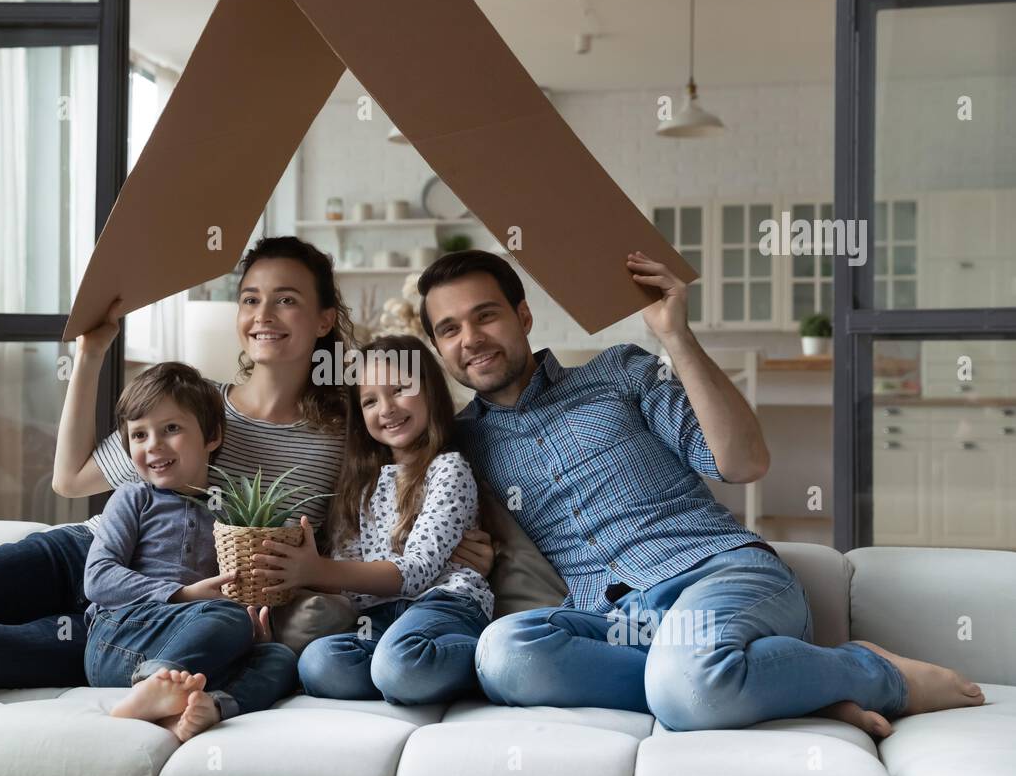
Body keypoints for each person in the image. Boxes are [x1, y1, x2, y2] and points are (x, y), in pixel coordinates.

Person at [0, 236, 495, 691]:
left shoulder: (348, 429)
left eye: (286, 298)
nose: (264, 313)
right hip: (86, 557)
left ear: (323, 319)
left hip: (163, 613)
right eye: (252, 297)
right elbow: (72, 480)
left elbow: (424, 452)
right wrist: (89, 357)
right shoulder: (197, 406)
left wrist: (465, 547)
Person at [415, 248, 985, 736]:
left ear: (523, 314)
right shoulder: (459, 445)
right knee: (503, 656)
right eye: (449, 329)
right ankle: (765, 684)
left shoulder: (620, 372)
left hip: (716, 572)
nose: (471, 339)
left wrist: (675, 335)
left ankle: (871, 672)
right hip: (612, 617)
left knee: (685, 685)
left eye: (485, 316)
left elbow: (743, 462)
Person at [259, 335, 492, 704]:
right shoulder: (361, 485)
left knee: (400, 661)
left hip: (443, 604)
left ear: (429, 390)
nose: (386, 408)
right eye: (370, 400)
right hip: (380, 618)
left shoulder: (448, 469)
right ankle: (407, 674)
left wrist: (317, 570)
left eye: (400, 388)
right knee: (318, 664)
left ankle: (481, 657)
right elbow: (350, 576)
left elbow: (417, 571)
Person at [83, 362, 297, 741]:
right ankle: (154, 682)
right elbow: (98, 578)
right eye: (139, 435)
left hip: (195, 651)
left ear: (212, 436)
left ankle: (205, 707)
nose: (154, 446)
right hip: (118, 641)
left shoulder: (230, 512)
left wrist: (254, 633)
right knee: (226, 616)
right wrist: (182, 595)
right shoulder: (132, 498)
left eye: (171, 429)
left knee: (278, 657)